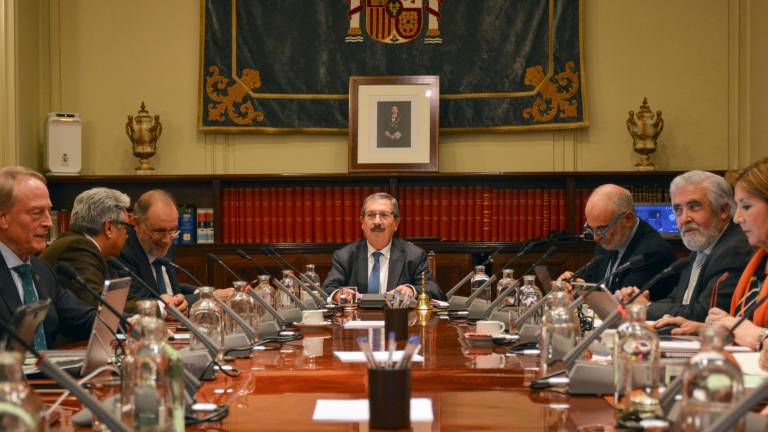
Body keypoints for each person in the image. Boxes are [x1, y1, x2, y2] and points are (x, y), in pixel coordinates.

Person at [616, 171, 752, 324]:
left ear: (723, 210)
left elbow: (704, 315)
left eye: (694, 207)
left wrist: (646, 307)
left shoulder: (733, 250)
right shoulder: (700, 250)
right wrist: (637, 302)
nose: (684, 219)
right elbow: (678, 300)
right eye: (678, 210)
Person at [676, 158, 768, 349]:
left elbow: (754, 332)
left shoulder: (735, 252)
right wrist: (715, 328)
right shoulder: (759, 261)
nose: (738, 218)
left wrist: (758, 336)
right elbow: (746, 326)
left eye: (747, 206)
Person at [0, 166, 95, 348]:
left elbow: (83, 318)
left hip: (48, 375)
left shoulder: (41, 270)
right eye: (37, 213)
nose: (49, 223)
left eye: (48, 212)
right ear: (3, 218)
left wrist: (133, 322)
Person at [558, 184, 677, 300]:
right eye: (590, 228)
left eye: (602, 228)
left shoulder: (652, 253)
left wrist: (587, 293)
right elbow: (591, 277)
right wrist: (577, 284)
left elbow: (621, 300)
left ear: (628, 219)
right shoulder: (609, 240)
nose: (596, 237)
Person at [322, 192, 444, 301]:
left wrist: (411, 290)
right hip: (356, 322)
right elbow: (327, 289)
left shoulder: (414, 255)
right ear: (362, 223)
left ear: (396, 223)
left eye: (384, 215)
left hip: (399, 321)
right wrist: (339, 294)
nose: (377, 222)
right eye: (371, 215)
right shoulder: (345, 256)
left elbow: (433, 289)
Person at [41, 187, 131, 308]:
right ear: (108, 227)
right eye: (126, 227)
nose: (127, 235)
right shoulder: (76, 249)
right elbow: (97, 306)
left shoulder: (97, 251)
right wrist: (153, 308)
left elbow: (119, 299)